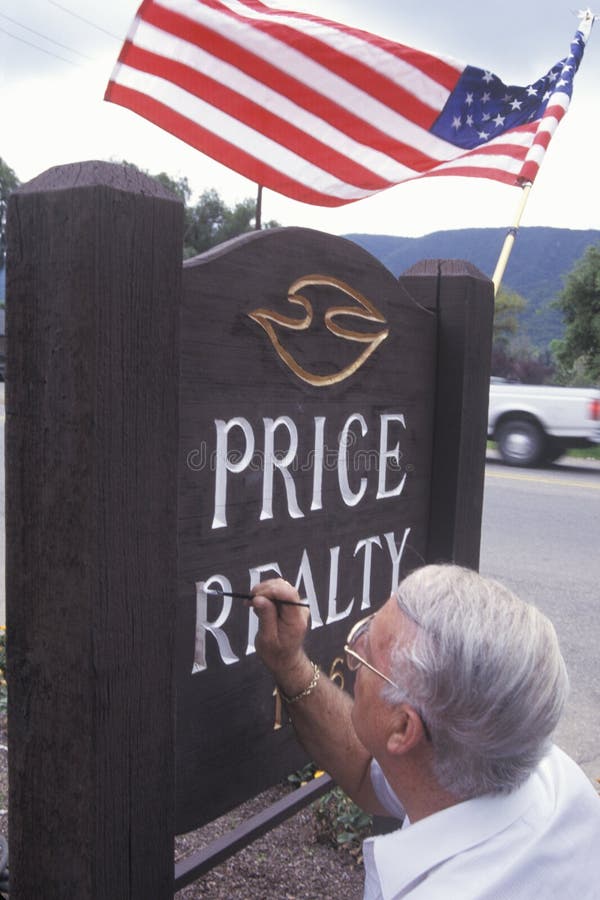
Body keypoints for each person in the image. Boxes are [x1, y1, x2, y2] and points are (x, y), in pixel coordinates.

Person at [250, 564, 600, 899]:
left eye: (367, 652)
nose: (354, 649)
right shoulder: (535, 766)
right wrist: (289, 663)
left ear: (403, 728)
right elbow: (364, 772)